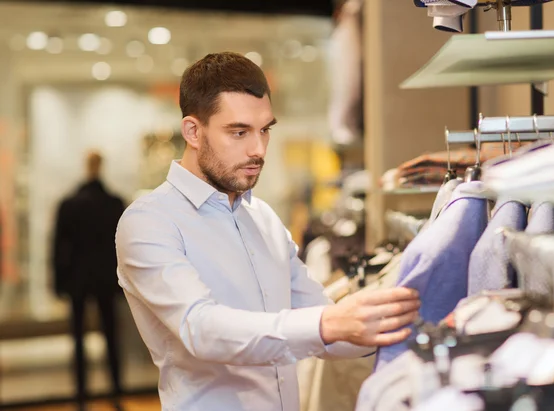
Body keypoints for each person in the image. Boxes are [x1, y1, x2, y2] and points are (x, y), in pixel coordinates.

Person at [115, 52, 421, 411]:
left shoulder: (263, 218)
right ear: (193, 132)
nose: (258, 149)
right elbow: (201, 329)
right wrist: (330, 322)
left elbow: (328, 334)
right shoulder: (149, 221)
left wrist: (407, 325)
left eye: (265, 130)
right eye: (239, 132)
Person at [53, 151, 125, 411]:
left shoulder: (70, 203)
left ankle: (82, 393)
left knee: (80, 338)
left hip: (79, 279)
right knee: (111, 335)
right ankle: (116, 389)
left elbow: (59, 247)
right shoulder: (113, 203)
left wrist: (60, 282)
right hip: (106, 278)